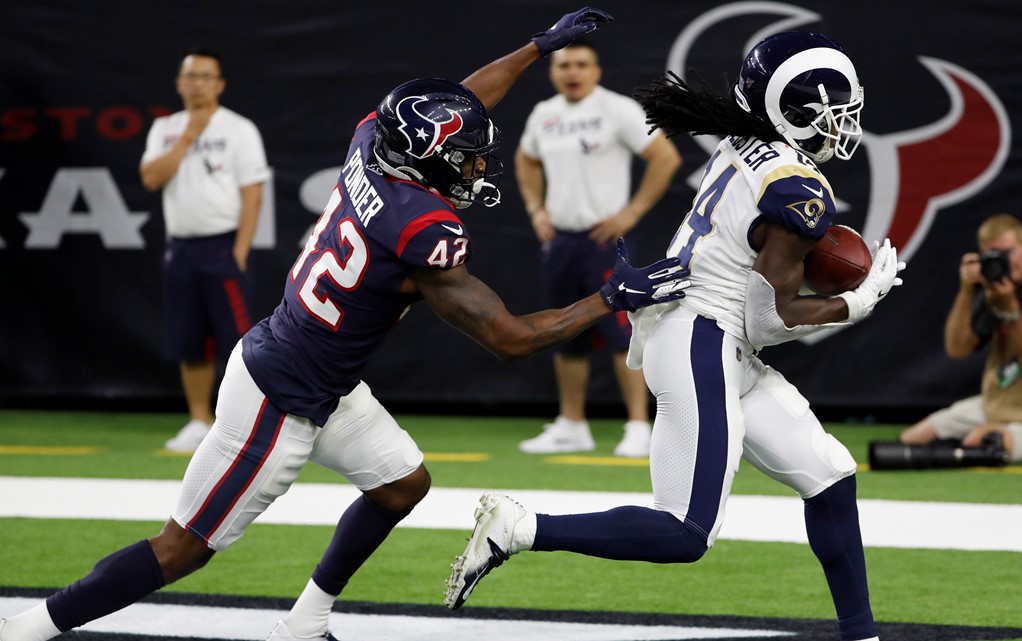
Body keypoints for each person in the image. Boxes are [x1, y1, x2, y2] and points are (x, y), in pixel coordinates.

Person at [0, 9, 690, 641]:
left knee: (401, 484)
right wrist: (609, 297)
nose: (479, 164)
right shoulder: (423, 227)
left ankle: (306, 621)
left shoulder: (372, 141)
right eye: (469, 156)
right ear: (431, 160)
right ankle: (28, 627)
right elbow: (508, 338)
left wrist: (536, 48)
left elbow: (459, 100)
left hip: (315, 370)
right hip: (283, 395)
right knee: (181, 548)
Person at [445, 32, 903, 641]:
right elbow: (770, 318)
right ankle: (520, 526)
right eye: (828, 116)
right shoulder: (797, 191)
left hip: (711, 338)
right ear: (786, 115)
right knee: (686, 531)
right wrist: (854, 302)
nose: (842, 127)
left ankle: (862, 635)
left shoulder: (751, 139)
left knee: (829, 476)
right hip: (703, 340)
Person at [515, 40, 682, 458]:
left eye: (581, 64)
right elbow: (525, 159)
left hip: (604, 242)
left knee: (622, 334)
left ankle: (638, 426)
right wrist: (537, 209)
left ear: (596, 70)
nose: (572, 71)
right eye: (564, 64)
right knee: (562, 329)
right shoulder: (544, 115)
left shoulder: (616, 109)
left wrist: (631, 212)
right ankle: (572, 425)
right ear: (553, 72)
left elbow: (664, 157)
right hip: (561, 242)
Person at [139, 48, 270, 452]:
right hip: (180, 248)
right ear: (179, 82)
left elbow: (253, 192)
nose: (197, 83)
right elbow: (150, 178)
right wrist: (188, 137)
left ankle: (245, 422)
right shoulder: (165, 128)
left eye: (205, 76)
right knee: (188, 339)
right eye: (190, 75)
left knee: (238, 341)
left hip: (223, 246)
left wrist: (240, 251)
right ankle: (199, 420)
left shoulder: (239, 129)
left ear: (219, 84)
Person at [897, 213, 1022, 462]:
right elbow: (957, 349)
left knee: (983, 440)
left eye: (1009, 252)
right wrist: (967, 290)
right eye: (993, 256)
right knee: (912, 439)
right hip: (996, 405)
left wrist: (1011, 312)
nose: (1004, 262)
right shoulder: (994, 293)